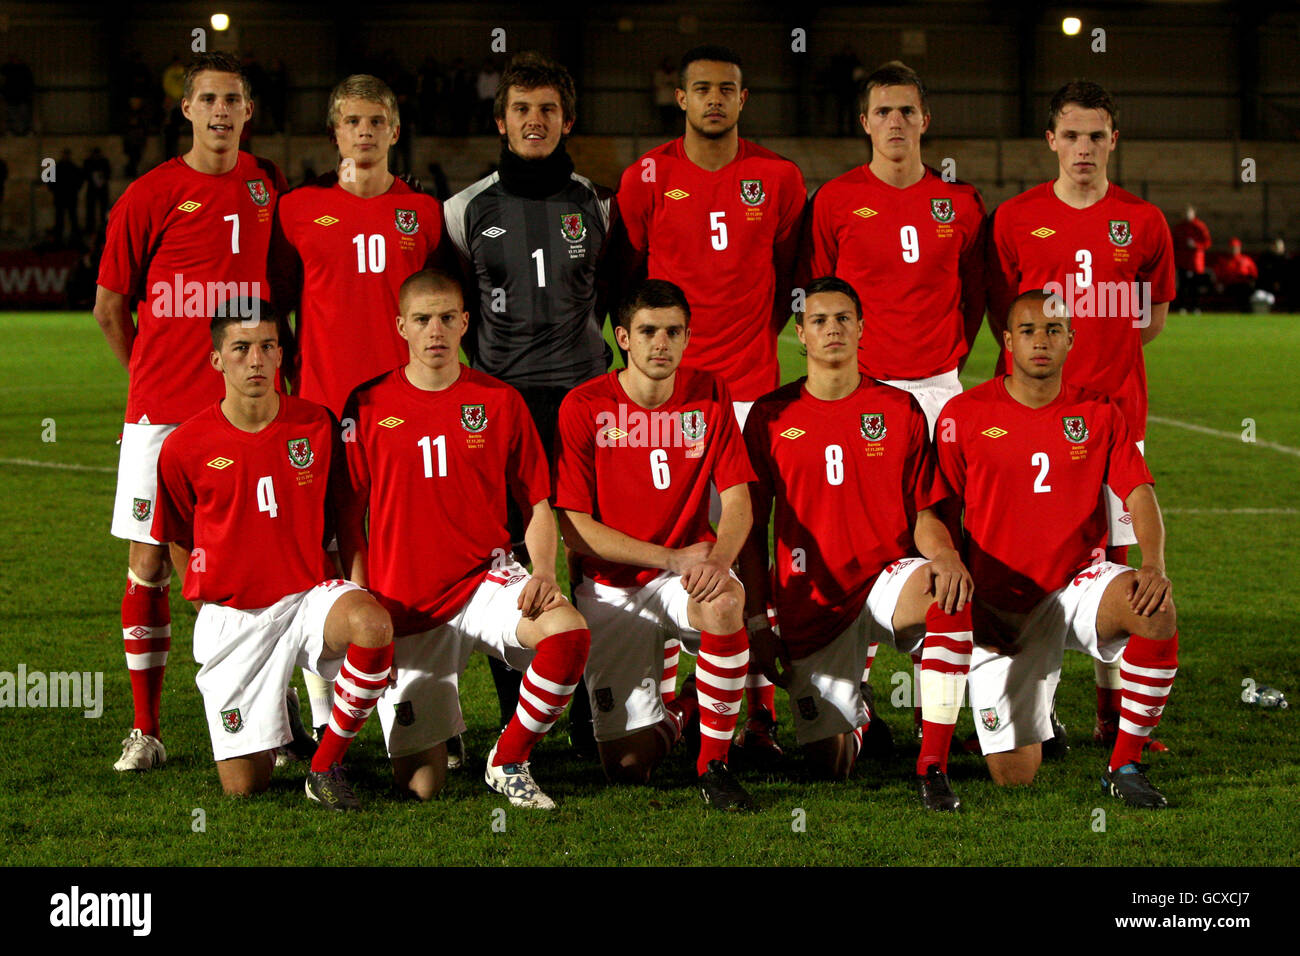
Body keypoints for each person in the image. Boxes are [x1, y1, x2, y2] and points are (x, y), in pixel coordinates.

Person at [94, 52, 289, 772]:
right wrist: (149, 381)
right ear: (186, 109)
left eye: (231, 99)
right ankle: (146, 730)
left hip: (246, 412)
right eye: (206, 98)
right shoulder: (148, 195)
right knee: (150, 563)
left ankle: (259, 709)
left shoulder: (268, 185)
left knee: (245, 562)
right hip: (163, 416)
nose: (219, 110)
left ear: (247, 110)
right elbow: (110, 307)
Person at [338, 269, 590, 808]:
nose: (435, 330)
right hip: (403, 597)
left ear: (465, 323)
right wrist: (358, 595)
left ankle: (509, 758)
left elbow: (537, 505)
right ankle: (437, 734)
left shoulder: (498, 401)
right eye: (423, 319)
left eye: (447, 318)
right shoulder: (366, 404)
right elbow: (348, 516)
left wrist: (543, 571)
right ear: (401, 326)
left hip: (484, 578)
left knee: (567, 633)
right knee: (421, 786)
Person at [616, 45, 806, 746]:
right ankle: (668, 697)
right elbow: (630, 275)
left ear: (743, 97)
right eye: (702, 89)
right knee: (669, 534)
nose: (715, 100)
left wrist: (753, 339)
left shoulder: (778, 177)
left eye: (727, 89)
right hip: (673, 395)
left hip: (750, 391)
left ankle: (753, 700)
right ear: (682, 98)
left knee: (746, 543)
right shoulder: (647, 175)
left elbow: (788, 273)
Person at [986, 80, 1175, 747]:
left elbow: (1150, 317)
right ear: (1051, 141)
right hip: (1037, 423)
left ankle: (1113, 713)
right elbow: (1005, 316)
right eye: (1071, 135)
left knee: (1116, 565)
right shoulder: (1013, 219)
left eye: (1097, 135)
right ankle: (1035, 704)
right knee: (1031, 557)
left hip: (1116, 419)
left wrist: (1104, 360)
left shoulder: (1144, 222)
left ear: (1113, 140)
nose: (1084, 148)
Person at [936, 291, 1179, 808]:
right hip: (1002, 604)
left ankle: (1125, 763)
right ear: (1007, 342)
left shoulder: (1099, 412)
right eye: (1027, 331)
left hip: (1077, 587)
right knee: (1014, 776)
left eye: (1052, 330)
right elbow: (940, 513)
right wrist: (963, 589)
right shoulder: (962, 415)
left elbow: (1139, 493)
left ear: (1070, 339)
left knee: (1155, 609)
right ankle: (1039, 716)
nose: (1040, 341)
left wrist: (1153, 565)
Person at [739, 278, 975, 810]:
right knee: (831, 766)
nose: (833, 330)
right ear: (800, 334)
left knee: (948, 597)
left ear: (862, 328)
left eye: (844, 318)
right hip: (812, 600)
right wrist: (760, 622)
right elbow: (751, 532)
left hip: (888, 578)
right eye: (820, 321)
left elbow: (924, 514)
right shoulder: (769, 416)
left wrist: (945, 555)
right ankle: (859, 715)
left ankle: (932, 766)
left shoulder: (900, 408)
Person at [151, 306, 393, 809]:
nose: (255, 360)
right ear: (216, 359)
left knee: (372, 626)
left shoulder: (316, 424)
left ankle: (325, 767)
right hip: (236, 616)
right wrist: (207, 604)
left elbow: (347, 525)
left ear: (281, 354)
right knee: (245, 786)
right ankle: (276, 723)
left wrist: (362, 591)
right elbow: (176, 538)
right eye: (241, 349)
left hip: (308, 598)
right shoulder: (183, 446)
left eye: (266, 346)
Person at [443, 52, 614, 749]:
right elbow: (453, 311)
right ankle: (523, 711)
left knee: (591, 558)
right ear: (501, 120)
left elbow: (612, 298)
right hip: (502, 408)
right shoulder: (464, 209)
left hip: (582, 404)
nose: (535, 121)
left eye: (547, 109)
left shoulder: (598, 205)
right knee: (508, 560)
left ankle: (592, 709)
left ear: (566, 119)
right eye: (522, 110)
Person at [553, 279, 757, 811]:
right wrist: (667, 556)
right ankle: (686, 709)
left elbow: (739, 502)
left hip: (688, 573)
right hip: (611, 585)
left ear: (688, 338)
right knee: (627, 768)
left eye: (673, 331)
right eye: (648, 331)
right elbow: (573, 526)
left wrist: (718, 559)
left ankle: (714, 765)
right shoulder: (583, 405)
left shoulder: (711, 392)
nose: (660, 343)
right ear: (623, 337)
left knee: (725, 603)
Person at [1171, 205, 1211, 313]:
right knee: (1183, 286)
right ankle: (1182, 307)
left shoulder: (1200, 226)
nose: (1187, 215)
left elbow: (1207, 243)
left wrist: (1196, 245)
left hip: (1195, 262)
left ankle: (1195, 307)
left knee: (1195, 287)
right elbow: (1173, 243)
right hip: (1183, 261)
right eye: (1185, 213)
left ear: (1194, 213)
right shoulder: (1179, 228)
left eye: (1189, 212)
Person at [1213, 237, 1258, 312]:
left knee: (1244, 291)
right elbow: (1217, 275)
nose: (1234, 249)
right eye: (1232, 247)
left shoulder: (1246, 260)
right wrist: (1218, 283)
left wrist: (1252, 282)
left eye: (1235, 247)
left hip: (1243, 285)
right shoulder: (1223, 261)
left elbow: (1254, 274)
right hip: (1228, 285)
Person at [50, 149, 84, 244]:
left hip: (70, 196)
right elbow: (50, 182)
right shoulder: (57, 168)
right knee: (59, 218)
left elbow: (79, 180)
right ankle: (58, 238)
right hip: (61, 196)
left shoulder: (73, 168)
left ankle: (74, 238)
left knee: (72, 218)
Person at [83, 147, 111, 233]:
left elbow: (108, 173)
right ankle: (91, 228)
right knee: (91, 210)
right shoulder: (89, 162)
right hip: (93, 189)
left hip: (101, 189)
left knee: (103, 209)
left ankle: (103, 227)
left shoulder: (103, 162)